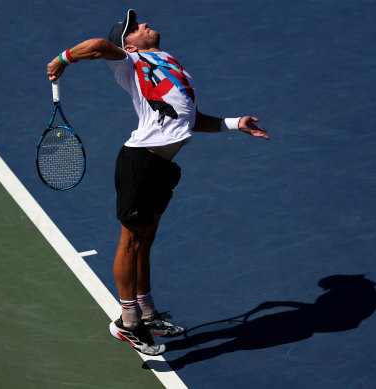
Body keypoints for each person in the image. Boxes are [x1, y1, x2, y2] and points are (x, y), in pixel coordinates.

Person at [47, 9, 269, 356]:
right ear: (129, 46)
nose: (144, 25)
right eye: (135, 28)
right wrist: (63, 59)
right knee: (131, 243)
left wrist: (233, 123)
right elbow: (97, 45)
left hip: (163, 167)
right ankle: (127, 321)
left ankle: (147, 314)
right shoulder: (129, 64)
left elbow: (188, 119)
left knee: (145, 241)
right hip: (140, 163)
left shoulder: (168, 63)